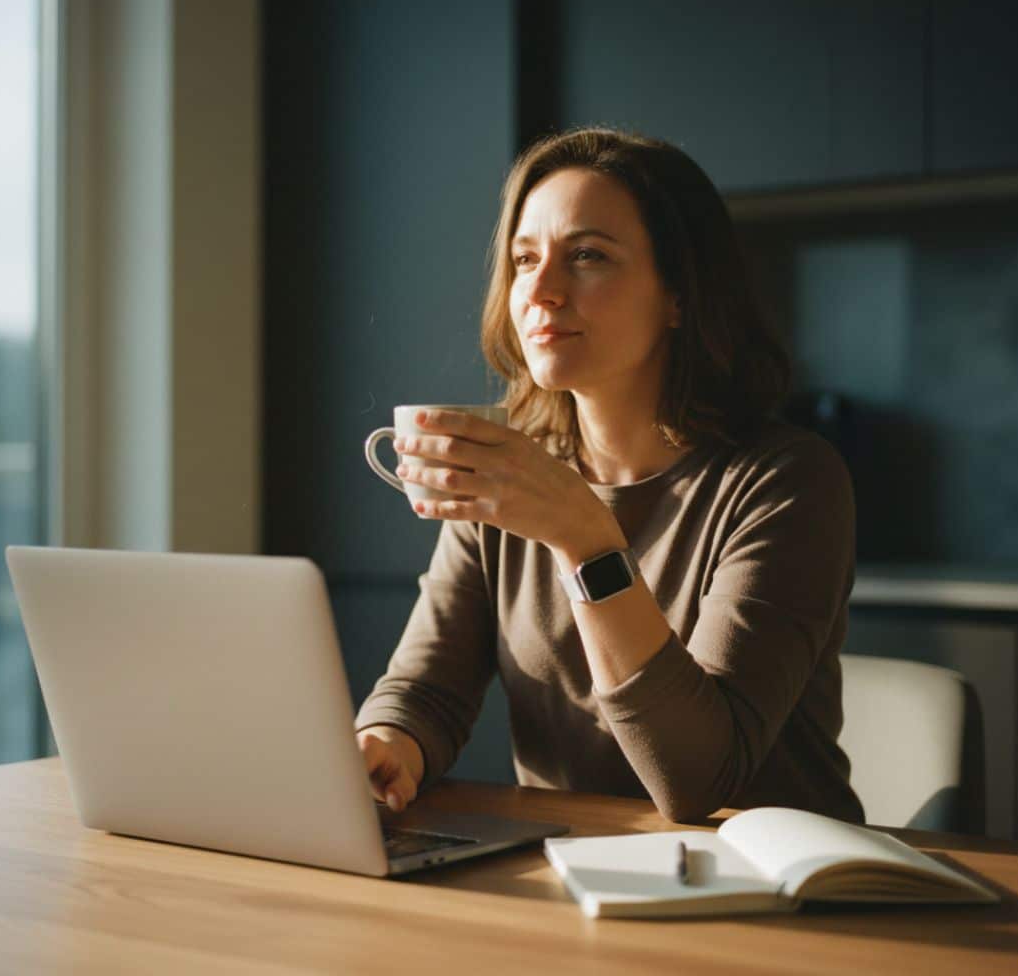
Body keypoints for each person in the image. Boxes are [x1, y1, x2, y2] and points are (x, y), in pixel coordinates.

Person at [355, 127, 864, 825]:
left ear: (679, 293)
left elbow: (698, 778)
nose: (540, 290)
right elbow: (428, 692)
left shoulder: (787, 481)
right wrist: (384, 748)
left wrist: (587, 540)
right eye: (523, 258)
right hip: (572, 872)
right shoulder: (509, 476)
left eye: (587, 256)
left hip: (772, 894)